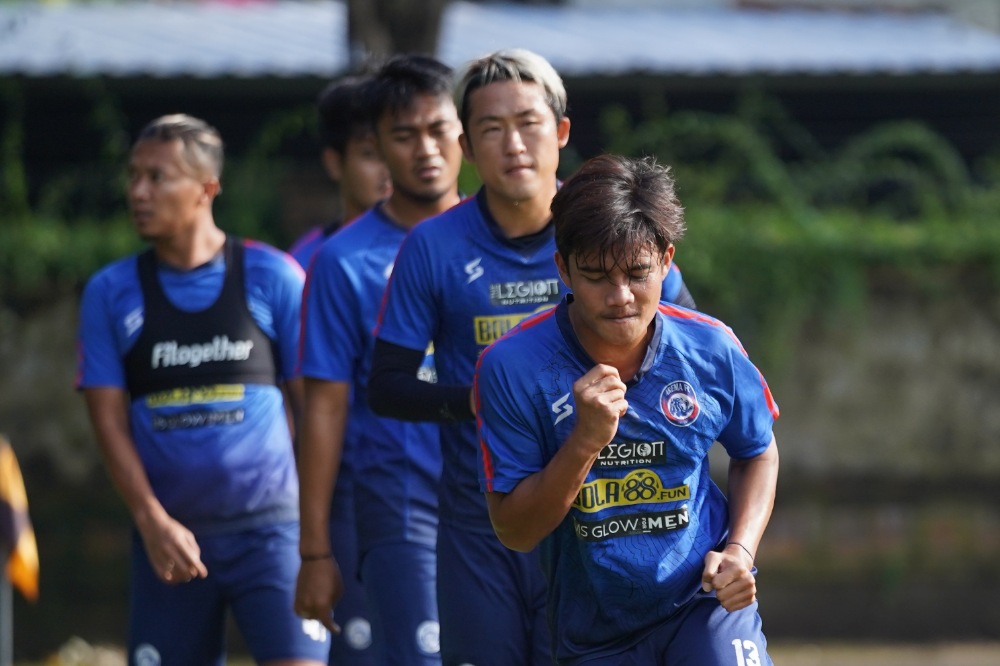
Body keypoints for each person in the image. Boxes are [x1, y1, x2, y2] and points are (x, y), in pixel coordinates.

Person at [369, 48, 697, 665]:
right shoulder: (432, 245)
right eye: (492, 129)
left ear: (562, 131)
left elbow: (691, 349)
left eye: (528, 123)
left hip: (603, 521)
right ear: (467, 145)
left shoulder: (612, 224)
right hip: (480, 525)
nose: (513, 144)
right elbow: (386, 386)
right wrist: (478, 400)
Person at [474, 153, 780, 665]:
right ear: (563, 267)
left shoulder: (712, 349)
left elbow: (758, 451)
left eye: (638, 273)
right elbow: (516, 531)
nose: (620, 297)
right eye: (595, 275)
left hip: (702, 606)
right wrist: (584, 441)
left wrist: (740, 551)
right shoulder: (512, 366)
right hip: (593, 630)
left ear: (666, 260)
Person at [76, 114, 329, 666]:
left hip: (274, 535)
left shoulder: (272, 275)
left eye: (158, 177)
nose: (138, 192)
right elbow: (108, 420)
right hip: (168, 539)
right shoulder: (110, 292)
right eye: (134, 176)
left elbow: (317, 411)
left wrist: (318, 536)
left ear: (207, 189)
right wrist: (150, 520)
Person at [294, 54, 463, 665]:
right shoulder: (341, 261)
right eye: (402, 135)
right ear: (377, 149)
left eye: (438, 129)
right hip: (397, 501)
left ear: (462, 133)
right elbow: (323, 408)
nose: (425, 148)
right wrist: (314, 550)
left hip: (505, 495)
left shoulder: (508, 237)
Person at [288, 75, 391, 271]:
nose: (388, 169)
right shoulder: (306, 262)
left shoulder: (428, 247)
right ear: (334, 163)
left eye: (393, 150)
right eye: (370, 154)